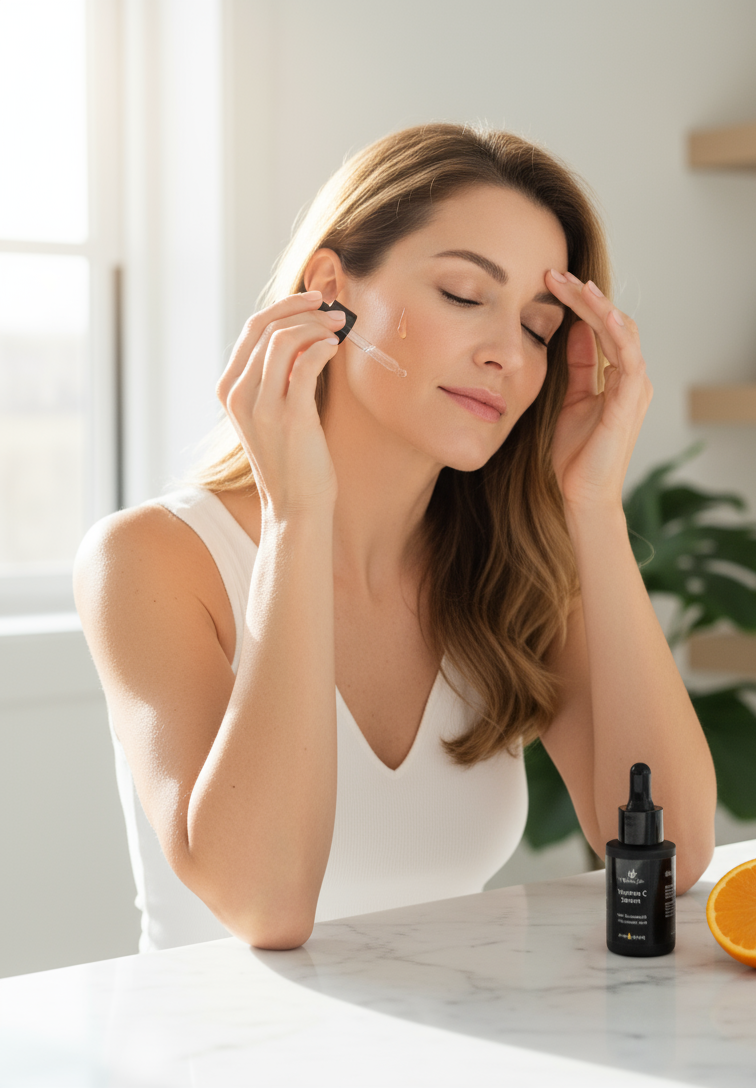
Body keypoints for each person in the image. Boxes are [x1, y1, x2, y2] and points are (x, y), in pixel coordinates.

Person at [75, 123, 716, 953]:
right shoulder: (151, 559)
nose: (508, 358)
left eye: (538, 328)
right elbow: (266, 906)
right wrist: (298, 517)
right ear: (330, 290)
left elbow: (676, 854)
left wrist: (592, 506)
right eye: (461, 294)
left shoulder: (507, 570)